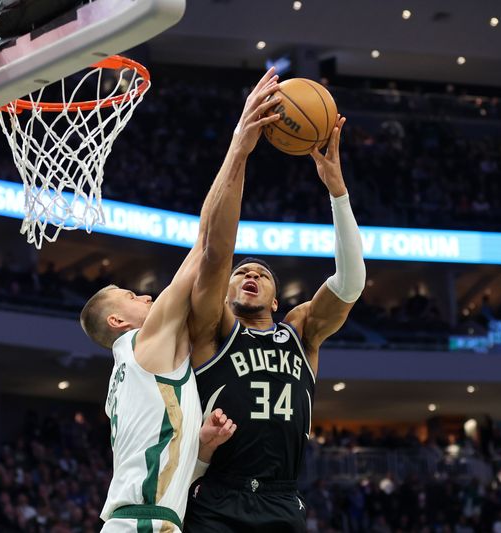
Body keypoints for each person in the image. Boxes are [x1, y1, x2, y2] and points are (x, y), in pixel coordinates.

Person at [79, 68, 282, 532]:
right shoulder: (146, 342)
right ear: (116, 320)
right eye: (131, 295)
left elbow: (162, 470)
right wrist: (239, 144)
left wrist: (201, 448)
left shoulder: (134, 375)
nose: (145, 294)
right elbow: (207, 239)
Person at [183, 84, 365, 531]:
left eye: (261, 275)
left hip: (284, 499)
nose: (250, 276)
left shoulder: (300, 331)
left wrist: (337, 192)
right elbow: (214, 251)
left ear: (277, 300)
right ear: (225, 293)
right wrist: (241, 150)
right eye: (241, 273)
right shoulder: (213, 328)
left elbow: (350, 283)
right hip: (219, 493)